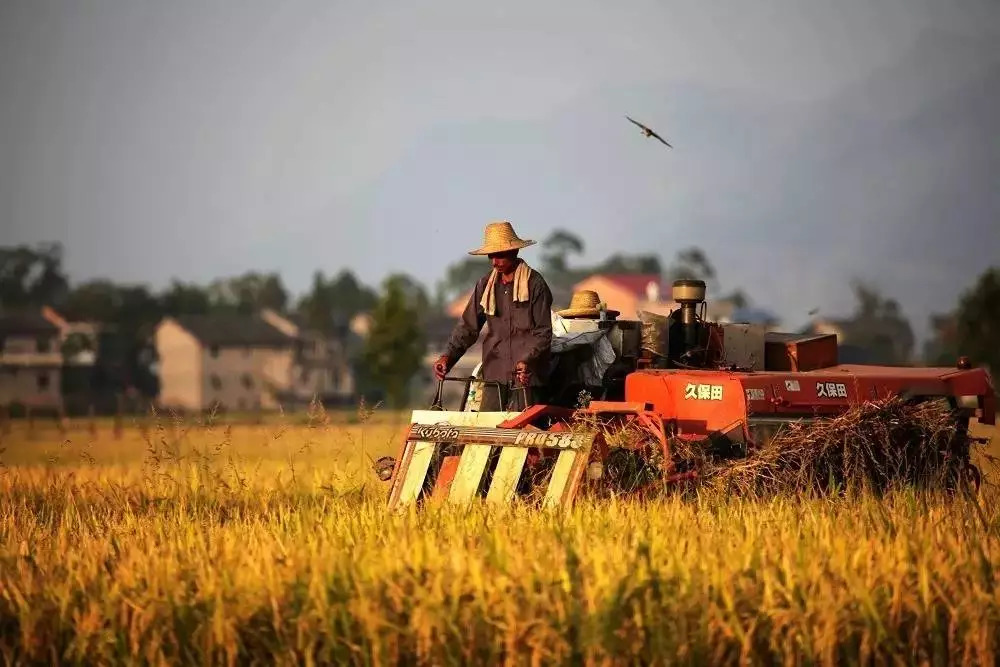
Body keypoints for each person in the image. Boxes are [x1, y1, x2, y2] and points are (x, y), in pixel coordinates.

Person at [433, 220, 554, 411]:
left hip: (527, 378)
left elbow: (543, 334)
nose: (494, 261)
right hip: (494, 373)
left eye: (500, 255)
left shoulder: (535, 284)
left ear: (514, 252)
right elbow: (468, 327)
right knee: (486, 430)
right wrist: (448, 357)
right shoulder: (485, 285)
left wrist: (528, 361)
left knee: (523, 433)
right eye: (491, 256)